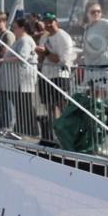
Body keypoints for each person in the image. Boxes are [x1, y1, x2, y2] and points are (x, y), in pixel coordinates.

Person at [35, 12, 76, 141]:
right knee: (49, 106)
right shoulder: (44, 37)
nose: (48, 24)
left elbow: (61, 60)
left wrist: (46, 52)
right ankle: (54, 133)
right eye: (46, 22)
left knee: (62, 106)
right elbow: (41, 59)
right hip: (46, 75)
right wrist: (40, 54)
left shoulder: (63, 37)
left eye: (50, 22)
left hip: (60, 75)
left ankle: (67, 133)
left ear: (56, 22)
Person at [0, 17, 38, 137]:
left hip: (22, 80)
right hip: (16, 80)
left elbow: (22, 57)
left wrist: (3, 60)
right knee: (21, 106)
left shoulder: (25, 40)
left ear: (22, 28)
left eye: (15, 27)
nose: (13, 29)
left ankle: (26, 131)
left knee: (24, 106)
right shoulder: (19, 40)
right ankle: (22, 130)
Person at [80, 1, 108, 99]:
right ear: (87, 13)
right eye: (93, 12)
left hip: (105, 70)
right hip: (91, 71)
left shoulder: (104, 24)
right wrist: (79, 57)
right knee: (93, 104)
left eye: (99, 11)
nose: (96, 13)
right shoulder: (87, 28)